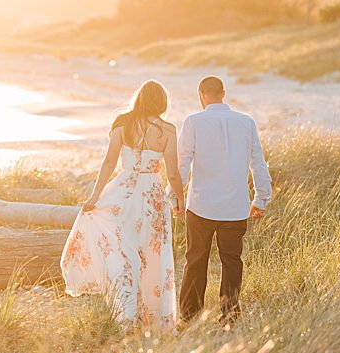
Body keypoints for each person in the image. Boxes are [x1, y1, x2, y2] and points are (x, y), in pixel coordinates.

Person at [60, 80, 182, 332]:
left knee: (122, 250)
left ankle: (127, 314)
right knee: (153, 254)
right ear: (161, 102)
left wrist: (95, 197)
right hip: (153, 197)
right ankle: (153, 319)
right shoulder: (168, 130)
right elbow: (173, 173)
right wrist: (178, 199)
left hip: (123, 192)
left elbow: (108, 163)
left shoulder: (122, 123)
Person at [174, 76, 271, 326]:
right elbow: (257, 163)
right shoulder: (246, 122)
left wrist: (175, 197)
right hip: (235, 207)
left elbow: (182, 165)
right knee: (232, 262)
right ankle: (229, 316)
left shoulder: (193, 122)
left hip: (201, 206)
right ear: (223, 93)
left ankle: (189, 317)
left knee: (196, 260)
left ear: (201, 94)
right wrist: (261, 198)